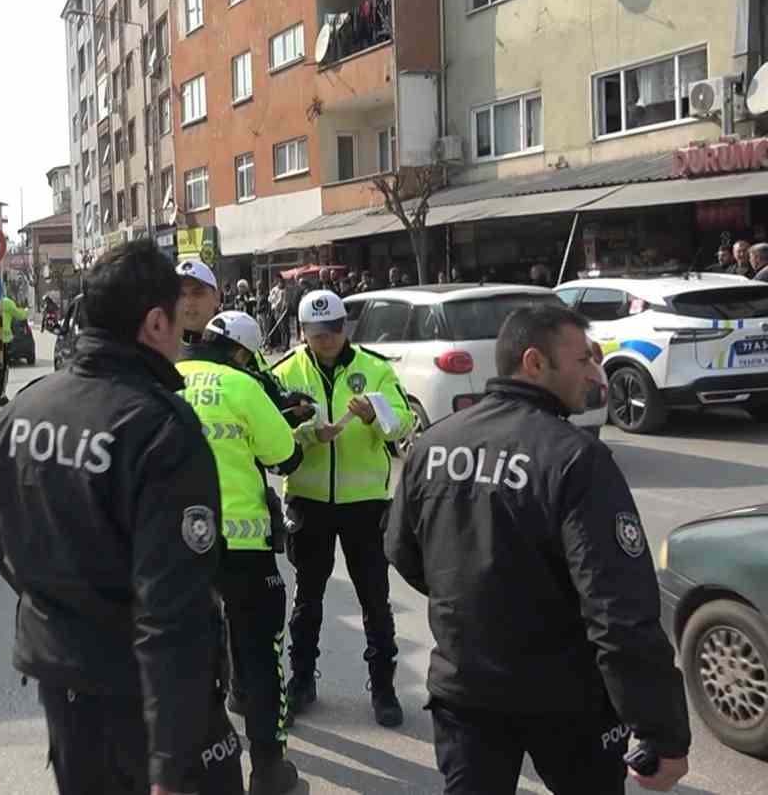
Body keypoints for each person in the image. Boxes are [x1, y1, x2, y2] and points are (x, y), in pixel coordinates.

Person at [387, 304, 691, 794]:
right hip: (566, 699)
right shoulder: (575, 458)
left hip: (467, 689)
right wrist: (661, 731)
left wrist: (472, 598)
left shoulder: (433, 443)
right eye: (582, 362)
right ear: (534, 363)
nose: (595, 375)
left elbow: (404, 553)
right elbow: (619, 610)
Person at [0, 240, 240, 795]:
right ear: (154, 322)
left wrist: (67, 613)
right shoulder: (159, 428)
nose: (182, 335)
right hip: (146, 700)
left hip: (64, 687)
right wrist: (170, 763)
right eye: (178, 318)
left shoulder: (24, 411)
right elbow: (172, 609)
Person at [270, 289, 415, 728]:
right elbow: (272, 438)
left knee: (375, 598)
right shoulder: (285, 372)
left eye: (334, 329)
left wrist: (375, 417)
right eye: (317, 333)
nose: (327, 339)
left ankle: (384, 687)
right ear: (302, 332)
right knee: (307, 599)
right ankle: (301, 681)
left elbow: (404, 426)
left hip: (365, 504)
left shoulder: (374, 368)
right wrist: (309, 433)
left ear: (345, 327)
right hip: (309, 501)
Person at [180, 310, 308, 794]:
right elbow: (285, 456)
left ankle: (193, 768)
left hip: (176, 548)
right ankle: (269, 772)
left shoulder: (164, 379)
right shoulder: (240, 386)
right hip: (244, 549)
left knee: (184, 656)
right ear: (239, 353)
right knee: (259, 658)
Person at [175, 258, 222, 349]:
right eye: (181, 294)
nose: (188, 302)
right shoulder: (163, 352)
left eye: (197, 293)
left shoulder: (236, 351)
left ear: (216, 297)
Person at [0, 287, 28, 405]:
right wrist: (27, 311)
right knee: (3, 369)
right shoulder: (7, 302)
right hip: (4, 341)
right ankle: (0, 395)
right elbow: (20, 315)